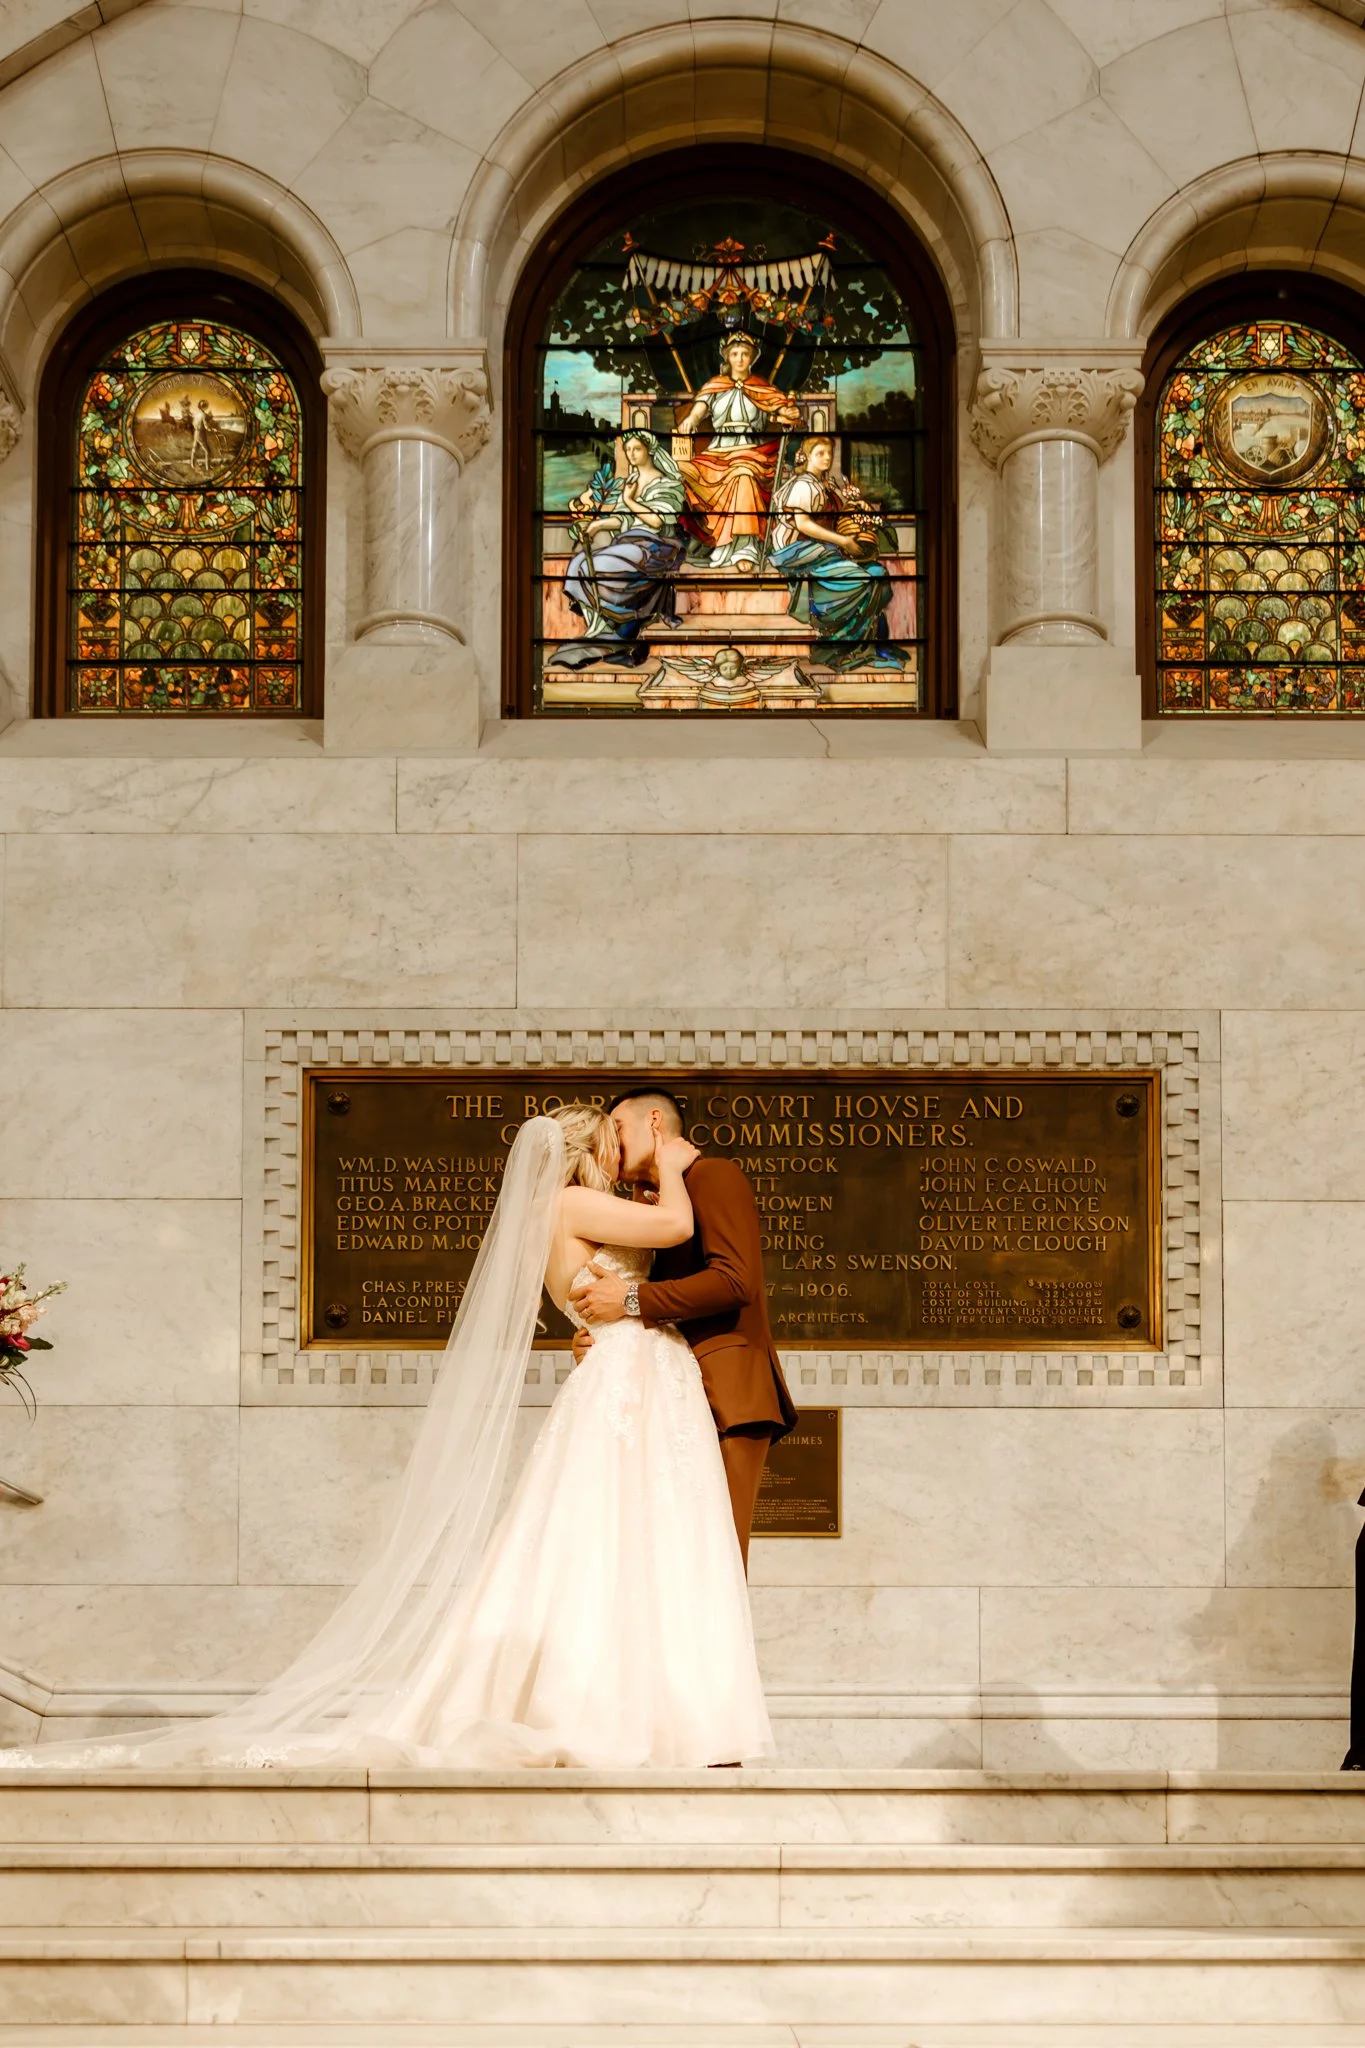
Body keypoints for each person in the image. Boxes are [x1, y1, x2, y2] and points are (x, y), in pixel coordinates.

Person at [0, 1106, 772, 1771]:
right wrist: (670, 1160)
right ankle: (622, 1710)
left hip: (626, 1375)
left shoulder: (563, 1215)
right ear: (581, 1153)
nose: (620, 1153)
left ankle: (641, 1707)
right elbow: (673, 1227)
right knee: (610, 1540)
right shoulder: (572, 1205)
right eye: (609, 1140)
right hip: (628, 1378)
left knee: (613, 1541)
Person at [570, 1088, 797, 1569]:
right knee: (666, 1568)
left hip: (726, 1397)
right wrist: (605, 1338)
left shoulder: (714, 1175)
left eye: (618, 1128)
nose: (611, 1142)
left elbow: (735, 1281)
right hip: (668, 1395)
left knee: (715, 1566)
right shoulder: (655, 1204)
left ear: (654, 1121)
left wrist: (629, 1301)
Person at [549, 429, 686, 670]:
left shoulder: (669, 484)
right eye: (628, 450)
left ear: (650, 450)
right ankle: (598, 628)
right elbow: (623, 520)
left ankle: (612, 629)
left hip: (654, 546)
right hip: (627, 543)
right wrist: (597, 525)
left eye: (637, 449)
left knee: (602, 565)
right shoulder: (630, 483)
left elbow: (656, 522)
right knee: (578, 563)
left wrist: (631, 500)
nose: (631, 455)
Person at [769, 435, 903, 669]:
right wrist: (845, 541)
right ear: (807, 456)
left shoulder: (827, 485)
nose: (827, 458)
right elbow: (804, 525)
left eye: (829, 453)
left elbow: (842, 516)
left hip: (828, 550)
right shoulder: (803, 485)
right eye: (820, 453)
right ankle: (834, 648)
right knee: (865, 579)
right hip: (801, 552)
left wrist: (858, 505)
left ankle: (862, 646)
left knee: (878, 574)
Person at [673, 332, 801, 570]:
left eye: (744, 354)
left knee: (743, 477)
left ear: (752, 358)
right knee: (680, 471)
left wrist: (788, 413)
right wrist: (690, 420)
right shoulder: (715, 386)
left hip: (750, 453)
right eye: (734, 354)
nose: (740, 359)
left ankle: (744, 548)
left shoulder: (762, 388)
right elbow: (697, 411)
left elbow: (782, 412)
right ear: (727, 357)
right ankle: (699, 542)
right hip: (717, 453)